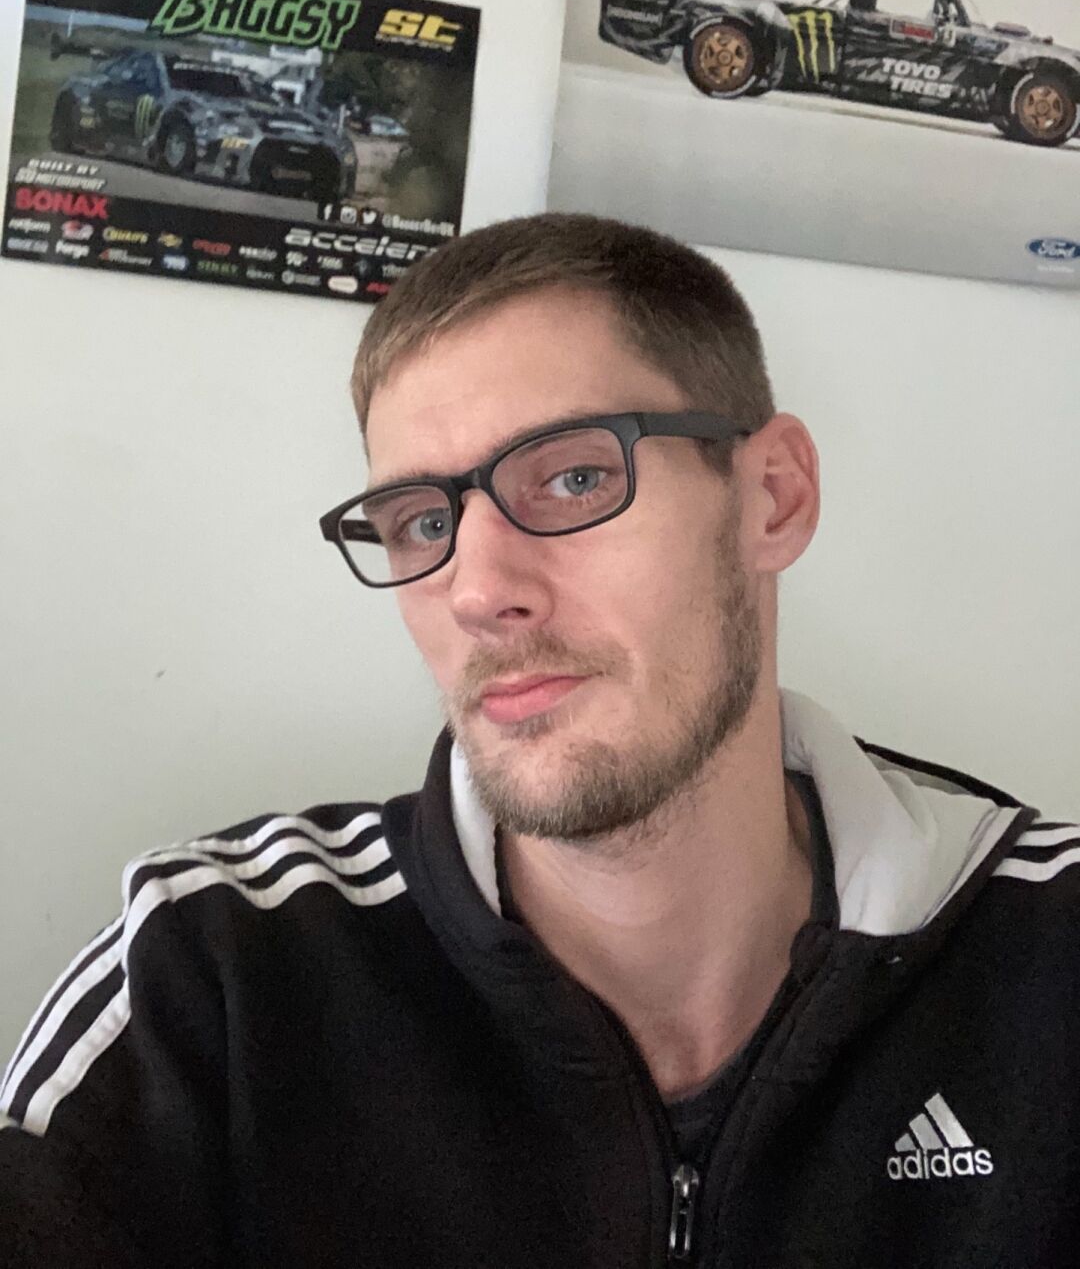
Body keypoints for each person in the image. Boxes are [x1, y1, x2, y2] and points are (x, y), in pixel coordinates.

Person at [2, 213, 1077, 1267]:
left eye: (573, 478)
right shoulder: (212, 975)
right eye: (425, 523)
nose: (478, 592)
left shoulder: (1049, 956)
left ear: (772, 499)